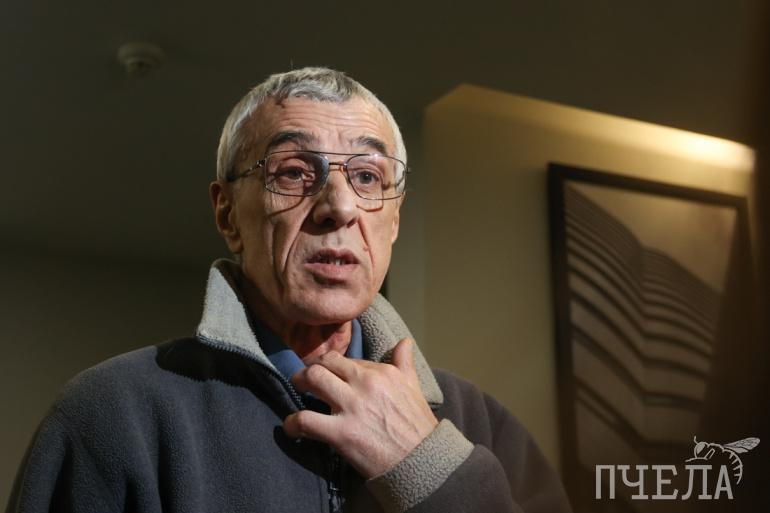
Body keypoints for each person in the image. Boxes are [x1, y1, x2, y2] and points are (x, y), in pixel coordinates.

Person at [7, 67, 572, 513]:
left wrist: (430, 471)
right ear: (227, 213)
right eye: (294, 172)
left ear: (394, 220)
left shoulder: (481, 423)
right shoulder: (113, 413)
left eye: (367, 176)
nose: (340, 207)